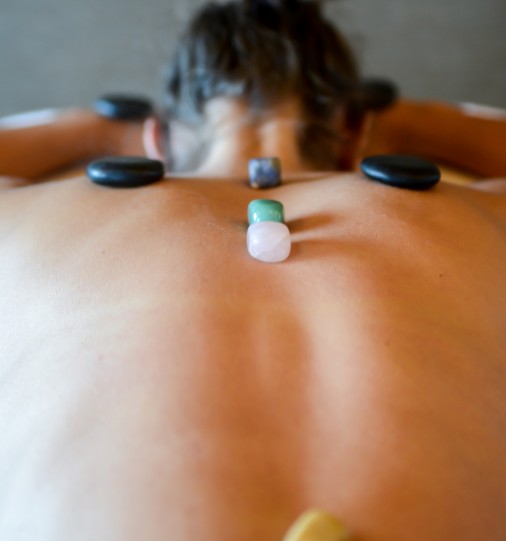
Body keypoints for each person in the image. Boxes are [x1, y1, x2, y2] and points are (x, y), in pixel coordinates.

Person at [0, 1, 505, 540]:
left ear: (157, 138)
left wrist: (101, 133)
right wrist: (408, 124)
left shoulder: (28, 215)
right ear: (356, 134)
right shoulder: (481, 212)